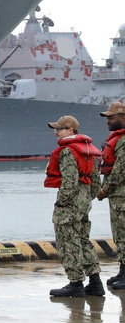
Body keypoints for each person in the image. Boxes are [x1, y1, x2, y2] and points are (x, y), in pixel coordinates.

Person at [45, 115, 103, 297]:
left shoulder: (67, 151)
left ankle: (75, 283)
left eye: (59, 129)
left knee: (67, 242)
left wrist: (62, 201)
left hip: (70, 204)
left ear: (70, 131)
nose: (56, 133)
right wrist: (86, 198)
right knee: (83, 240)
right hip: (84, 201)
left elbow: (69, 181)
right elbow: (95, 182)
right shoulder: (87, 150)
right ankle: (95, 282)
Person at [97, 101, 125, 290]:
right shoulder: (117, 138)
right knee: (119, 235)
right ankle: (123, 270)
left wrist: (105, 189)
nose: (108, 120)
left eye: (111, 117)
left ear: (123, 117)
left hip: (121, 194)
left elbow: (120, 169)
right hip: (117, 195)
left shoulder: (123, 140)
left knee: (124, 234)